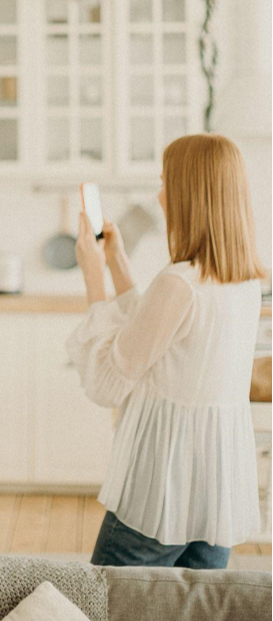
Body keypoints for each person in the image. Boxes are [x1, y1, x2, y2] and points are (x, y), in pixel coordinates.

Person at [68, 134, 267, 569]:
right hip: (216, 490)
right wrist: (118, 262)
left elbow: (106, 383)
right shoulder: (243, 282)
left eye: (165, 182)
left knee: (107, 604)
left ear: (187, 193)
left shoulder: (178, 283)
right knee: (192, 610)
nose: (159, 195)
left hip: (159, 486)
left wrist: (93, 276)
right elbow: (158, 337)